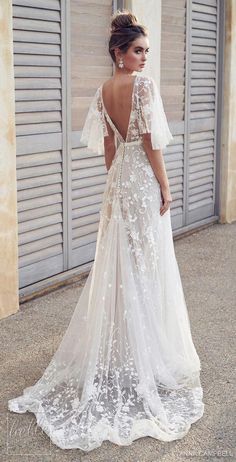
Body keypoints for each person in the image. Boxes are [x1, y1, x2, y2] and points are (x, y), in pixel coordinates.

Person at [8, 9, 204, 452]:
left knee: (122, 264)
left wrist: (116, 182)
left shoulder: (102, 90)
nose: (144, 58)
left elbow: (111, 146)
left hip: (118, 184)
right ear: (119, 53)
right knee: (146, 265)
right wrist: (165, 186)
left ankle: (126, 352)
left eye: (146, 51)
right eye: (138, 51)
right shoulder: (143, 87)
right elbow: (152, 141)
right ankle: (144, 357)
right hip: (142, 181)